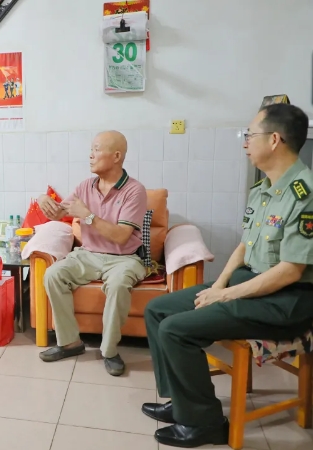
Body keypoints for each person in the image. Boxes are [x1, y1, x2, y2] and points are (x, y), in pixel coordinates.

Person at [141, 103, 313, 448]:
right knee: (158, 310)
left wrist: (224, 295)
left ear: (274, 139)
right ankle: (182, 402)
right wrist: (218, 284)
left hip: (288, 299)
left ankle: (205, 423)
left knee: (176, 329)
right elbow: (244, 246)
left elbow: (290, 271)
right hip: (252, 282)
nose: (245, 142)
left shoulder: (305, 194)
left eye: (250, 135)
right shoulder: (262, 190)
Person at [37, 130, 148, 376]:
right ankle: (70, 343)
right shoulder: (85, 186)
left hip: (124, 258)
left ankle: (109, 351)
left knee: (118, 285)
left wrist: (87, 215)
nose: (90, 155)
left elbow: (121, 236)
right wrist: (44, 199)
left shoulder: (134, 190)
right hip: (88, 254)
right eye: (91, 149)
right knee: (53, 275)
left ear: (116, 156)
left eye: (97, 149)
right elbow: (58, 213)